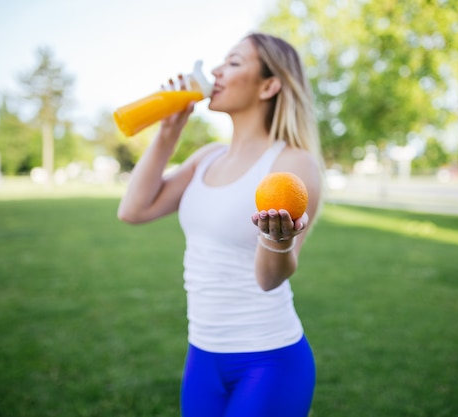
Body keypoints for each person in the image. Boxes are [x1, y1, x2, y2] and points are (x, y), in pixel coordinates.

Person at [117, 32, 323, 417]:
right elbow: (133, 210)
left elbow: (269, 279)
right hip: (202, 356)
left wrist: (277, 241)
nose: (215, 71)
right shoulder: (208, 157)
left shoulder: (293, 164)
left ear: (269, 85)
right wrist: (168, 133)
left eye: (233, 62)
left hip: (268, 359)